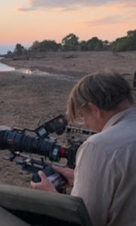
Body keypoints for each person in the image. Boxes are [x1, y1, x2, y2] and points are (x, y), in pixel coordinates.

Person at [30, 70, 136, 226]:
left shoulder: (98, 147)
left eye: (82, 116)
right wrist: (80, 178)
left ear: (94, 109)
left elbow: (83, 221)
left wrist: (51, 197)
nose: (86, 124)